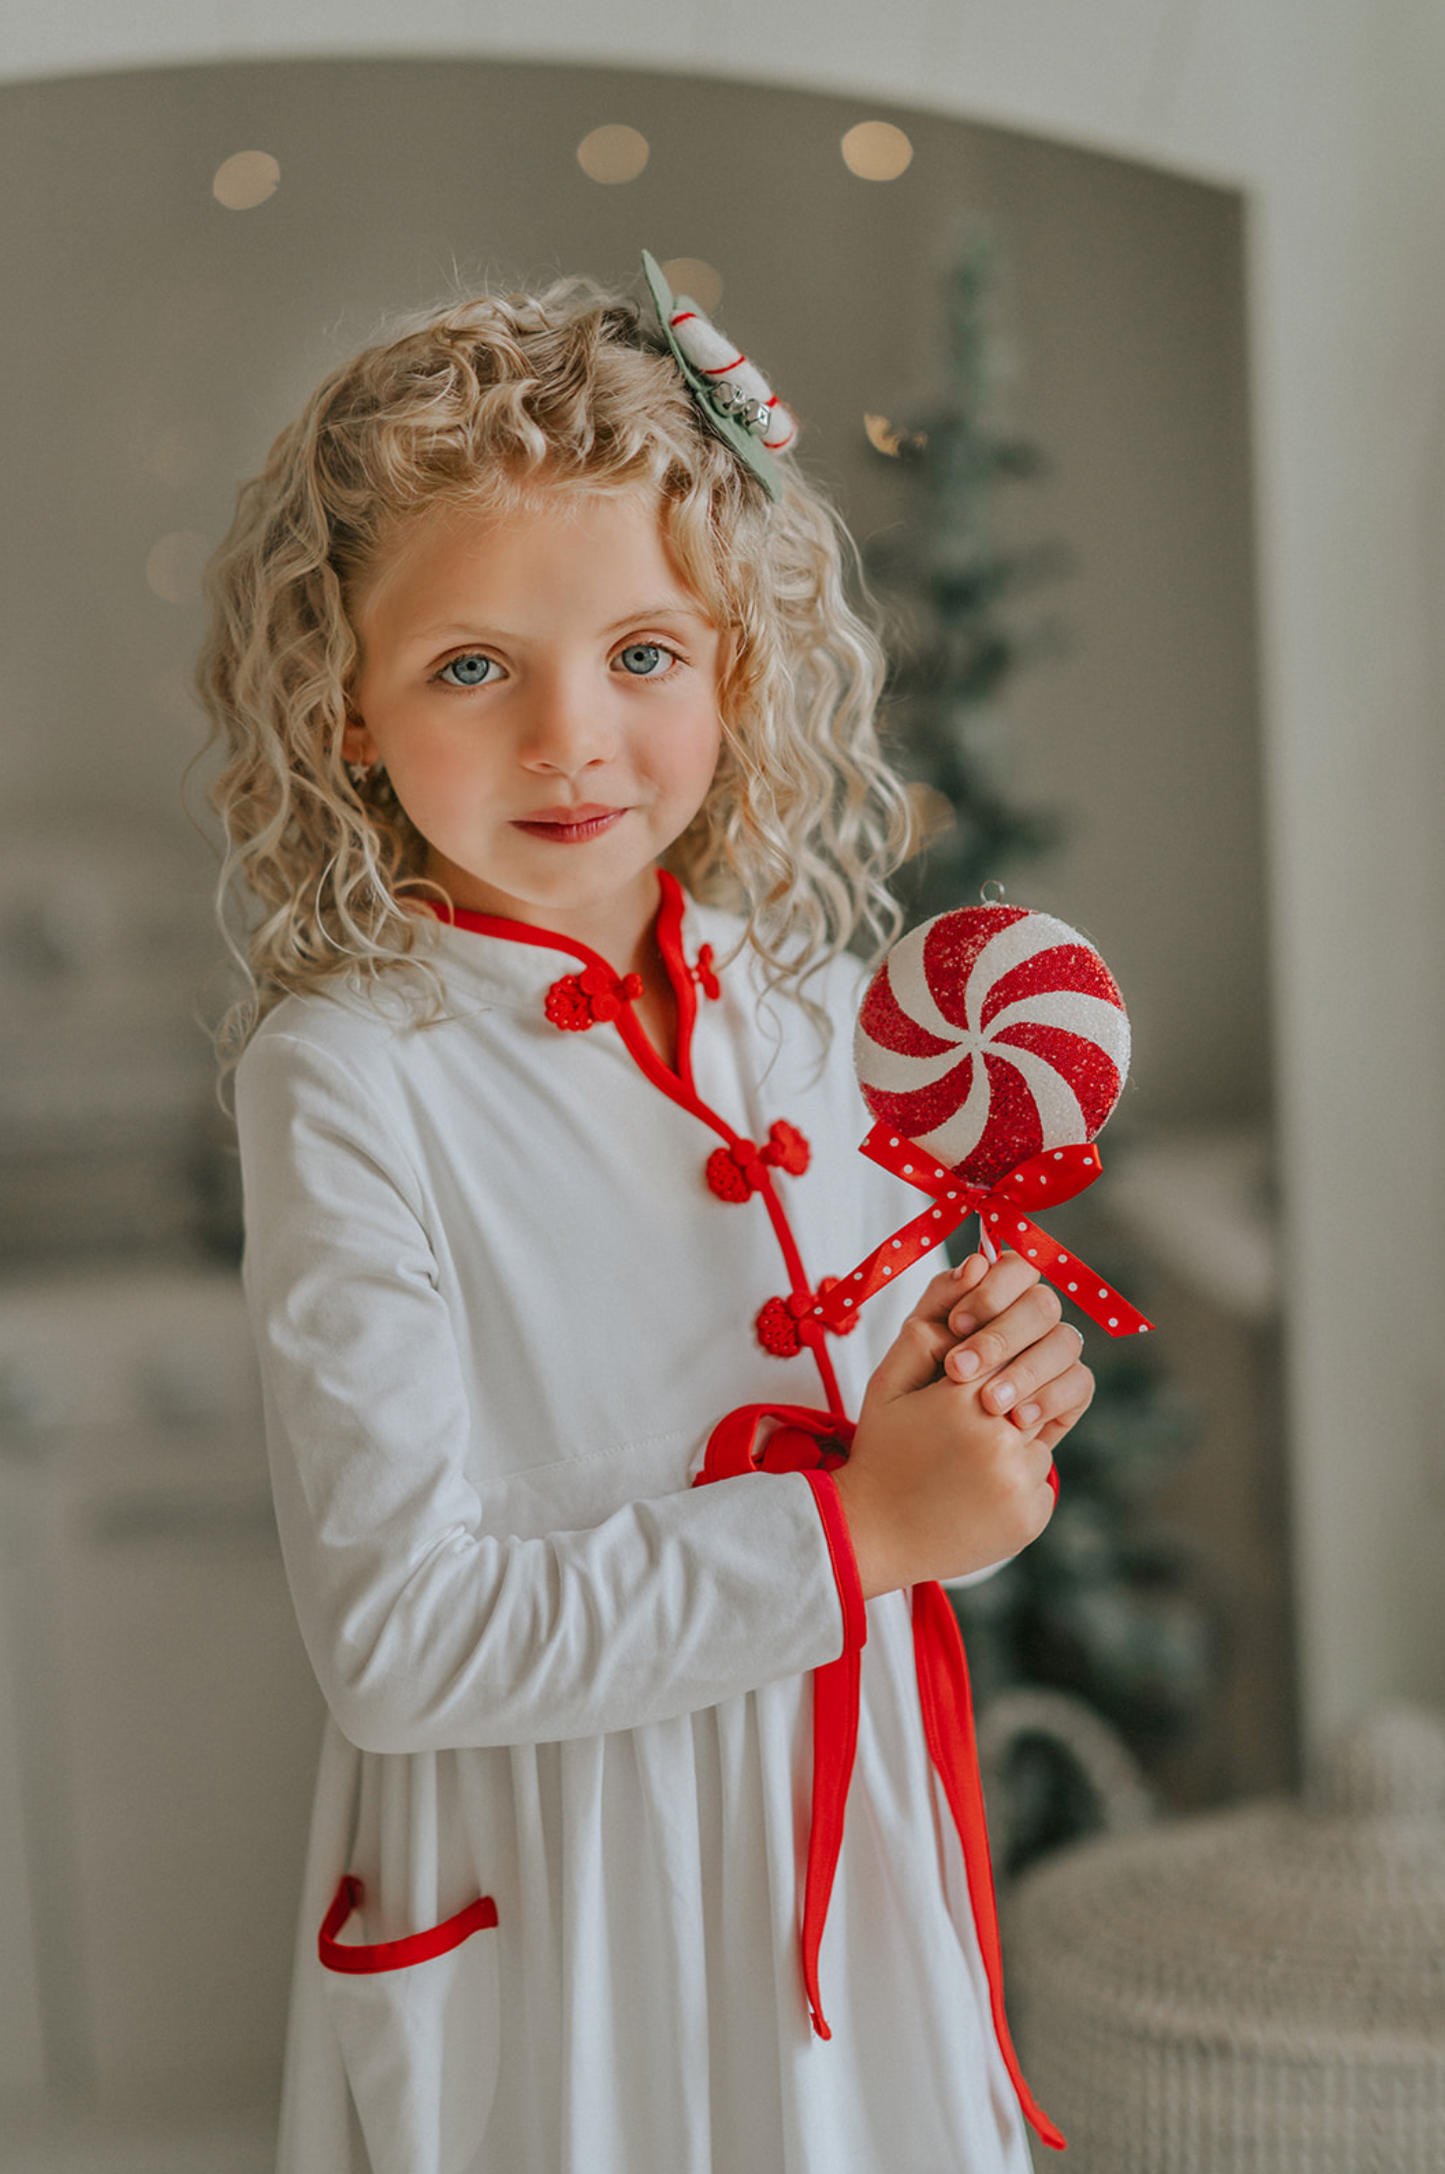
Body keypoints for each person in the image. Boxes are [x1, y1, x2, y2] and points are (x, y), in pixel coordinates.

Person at [200, 261, 1092, 2174]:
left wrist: (987, 1406)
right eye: (468, 666)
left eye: (641, 654)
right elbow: (399, 1638)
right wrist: (858, 1527)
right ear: (340, 708)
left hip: (840, 1854)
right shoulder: (352, 1075)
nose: (568, 739)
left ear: (735, 667)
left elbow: (909, 1464)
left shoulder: (809, 1007)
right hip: (566, 1898)